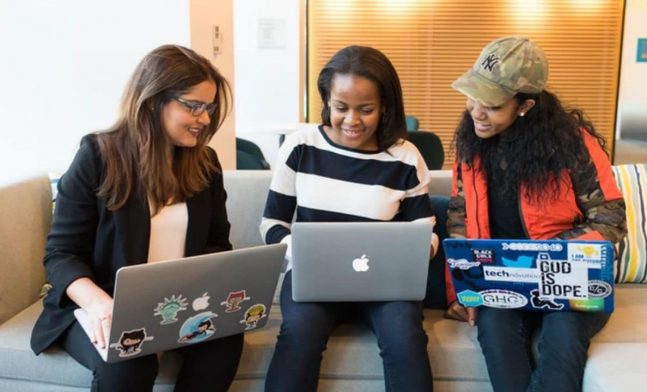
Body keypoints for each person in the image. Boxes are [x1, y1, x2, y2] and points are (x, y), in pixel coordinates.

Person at [30, 44, 243, 392]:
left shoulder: (205, 165)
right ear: (154, 101)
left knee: (225, 343)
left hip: (175, 306)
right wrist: (100, 305)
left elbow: (216, 245)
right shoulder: (96, 156)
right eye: (194, 106)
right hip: (100, 305)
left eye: (210, 108)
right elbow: (61, 255)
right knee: (131, 358)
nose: (205, 119)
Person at [445, 37, 627, 392]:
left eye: (493, 105)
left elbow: (610, 220)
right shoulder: (470, 145)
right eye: (473, 96)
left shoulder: (572, 144)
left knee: (563, 335)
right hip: (499, 282)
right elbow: (459, 219)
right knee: (496, 333)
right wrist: (460, 291)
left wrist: (540, 258)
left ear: (525, 105)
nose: (476, 111)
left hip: (570, 278)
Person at [260, 45, 436, 392]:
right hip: (313, 279)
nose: (352, 120)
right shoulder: (301, 146)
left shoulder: (405, 157)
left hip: (386, 285)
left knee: (405, 335)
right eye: (341, 107)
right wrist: (300, 250)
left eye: (366, 109)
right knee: (299, 333)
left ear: (385, 106)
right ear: (327, 101)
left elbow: (425, 234)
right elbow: (272, 224)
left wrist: (416, 253)